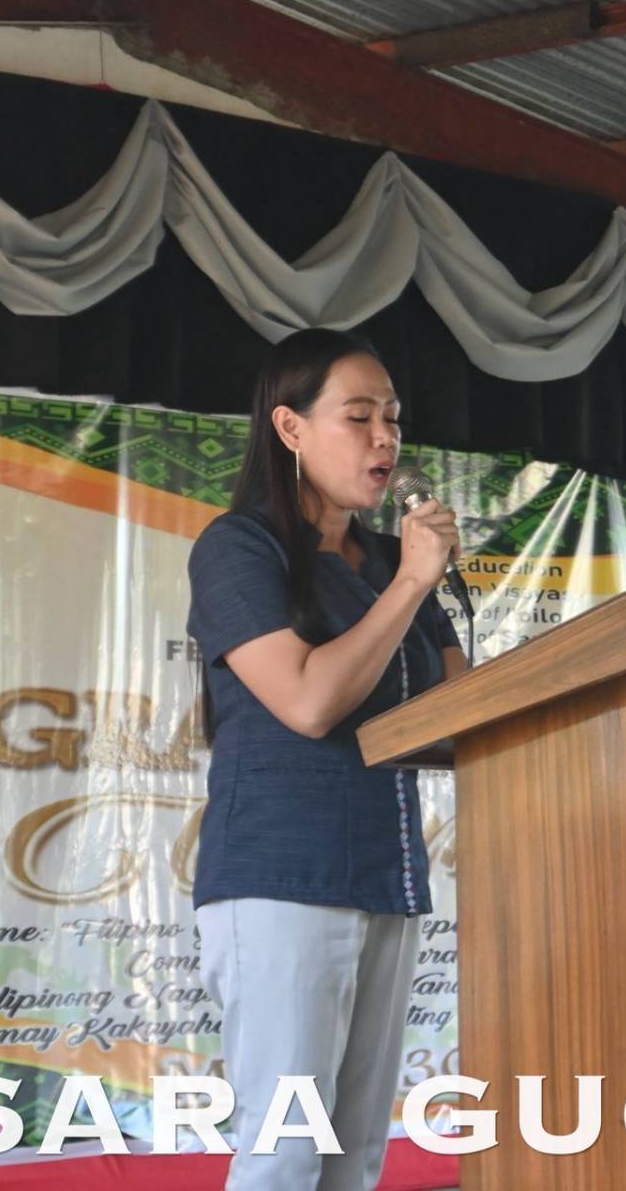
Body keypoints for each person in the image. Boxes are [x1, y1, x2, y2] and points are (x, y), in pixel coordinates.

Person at [186, 327, 467, 1191]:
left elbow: (463, 710)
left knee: (353, 1160)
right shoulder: (240, 547)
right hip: (282, 878)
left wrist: (412, 579)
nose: (385, 438)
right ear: (290, 426)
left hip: (388, 875)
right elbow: (307, 702)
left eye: (393, 418)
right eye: (358, 416)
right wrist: (412, 583)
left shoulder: (386, 561)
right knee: (285, 1153)